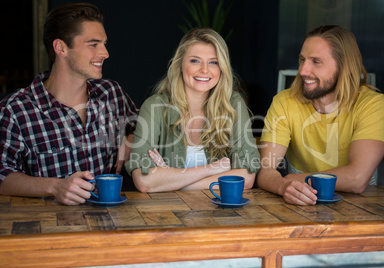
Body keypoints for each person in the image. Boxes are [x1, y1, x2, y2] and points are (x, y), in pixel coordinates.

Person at [0, 3, 138, 205]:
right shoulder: (16, 109)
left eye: (104, 43)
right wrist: (55, 187)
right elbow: (2, 175)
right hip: (48, 228)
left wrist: (131, 140)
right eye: (93, 44)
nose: (105, 53)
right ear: (61, 48)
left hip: (109, 225)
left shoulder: (111, 93)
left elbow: (142, 123)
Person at [256, 25, 384, 206]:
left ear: (345, 67)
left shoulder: (372, 104)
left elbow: (357, 179)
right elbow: (265, 171)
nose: (303, 70)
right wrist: (282, 186)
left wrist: (292, 178)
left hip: (360, 209)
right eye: (302, 60)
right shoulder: (284, 102)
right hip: (299, 206)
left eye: (316, 61)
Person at [125, 28, 259, 192]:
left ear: (222, 68)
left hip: (221, 214)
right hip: (166, 214)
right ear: (180, 63)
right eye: (195, 61)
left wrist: (171, 181)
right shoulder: (155, 107)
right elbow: (144, 181)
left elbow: (246, 178)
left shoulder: (233, 105)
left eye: (213, 62)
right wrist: (213, 168)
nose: (204, 70)